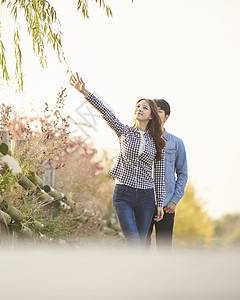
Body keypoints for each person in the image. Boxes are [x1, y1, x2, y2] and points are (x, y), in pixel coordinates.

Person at [70, 73, 166, 246]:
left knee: (141, 244)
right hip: (124, 194)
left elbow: (159, 174)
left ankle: (134, 272)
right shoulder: (124, 132)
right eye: (137, 106)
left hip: (146, 196)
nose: (139, 109)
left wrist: (160, 203)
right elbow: (106, 113)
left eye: (144, 108)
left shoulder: (158, 142)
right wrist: (84, 92)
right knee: (134, 242)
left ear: (151, 115)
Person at [147, 99, 188, 249]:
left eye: (159, 111)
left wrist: (174, 200)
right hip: (144, 203)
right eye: (153, 110)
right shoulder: (141, 140)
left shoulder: (176, 143)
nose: (155, 114)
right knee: (140, 248)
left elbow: (182, 173)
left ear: (166, 116)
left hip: (166, 205)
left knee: (164, 249)